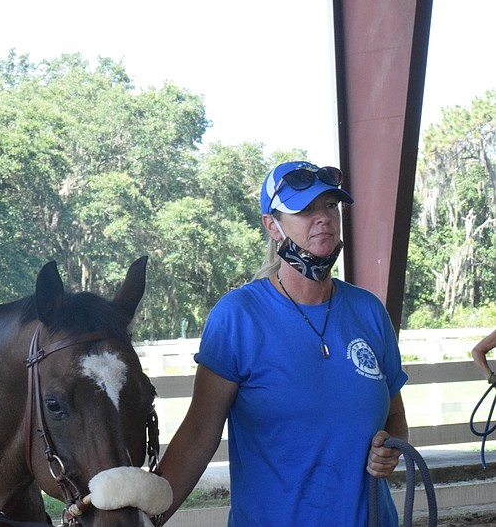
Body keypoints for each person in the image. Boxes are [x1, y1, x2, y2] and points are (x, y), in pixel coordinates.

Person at [155, 161, 408, 526]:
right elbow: (198, 436)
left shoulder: (368, 312)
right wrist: (146, 517)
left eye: (329, 206)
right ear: (272, 226)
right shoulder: (238, 317)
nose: (322, 218)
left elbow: (395, 417)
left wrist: (390, 446)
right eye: (304, 209)